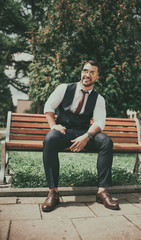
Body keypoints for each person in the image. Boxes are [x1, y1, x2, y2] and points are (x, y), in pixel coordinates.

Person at [42, 59, 120, 212]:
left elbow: (99, 122)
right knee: (50, 139)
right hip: (63, 131)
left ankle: (102, 192)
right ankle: (53, 192)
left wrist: (87, 136)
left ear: (97, 77)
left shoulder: (99, 99)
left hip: (84, 133)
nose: (87, 75)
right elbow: (49, 107)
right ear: (81, 72)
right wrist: (53, 125)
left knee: (106, 141)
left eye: (92, 72)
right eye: (85, 70)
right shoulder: (64, 88)